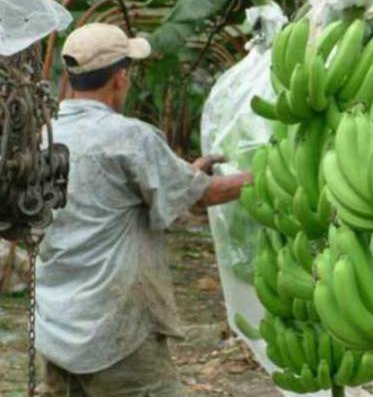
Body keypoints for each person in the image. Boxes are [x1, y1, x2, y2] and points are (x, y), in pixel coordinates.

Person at [35, 23, 253, 397]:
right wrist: (264, 175)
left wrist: (189, 173)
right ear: (120, 78)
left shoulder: (45, 135)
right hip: (115, 329)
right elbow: (205, 196)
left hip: (55, 324)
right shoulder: (130, 136)